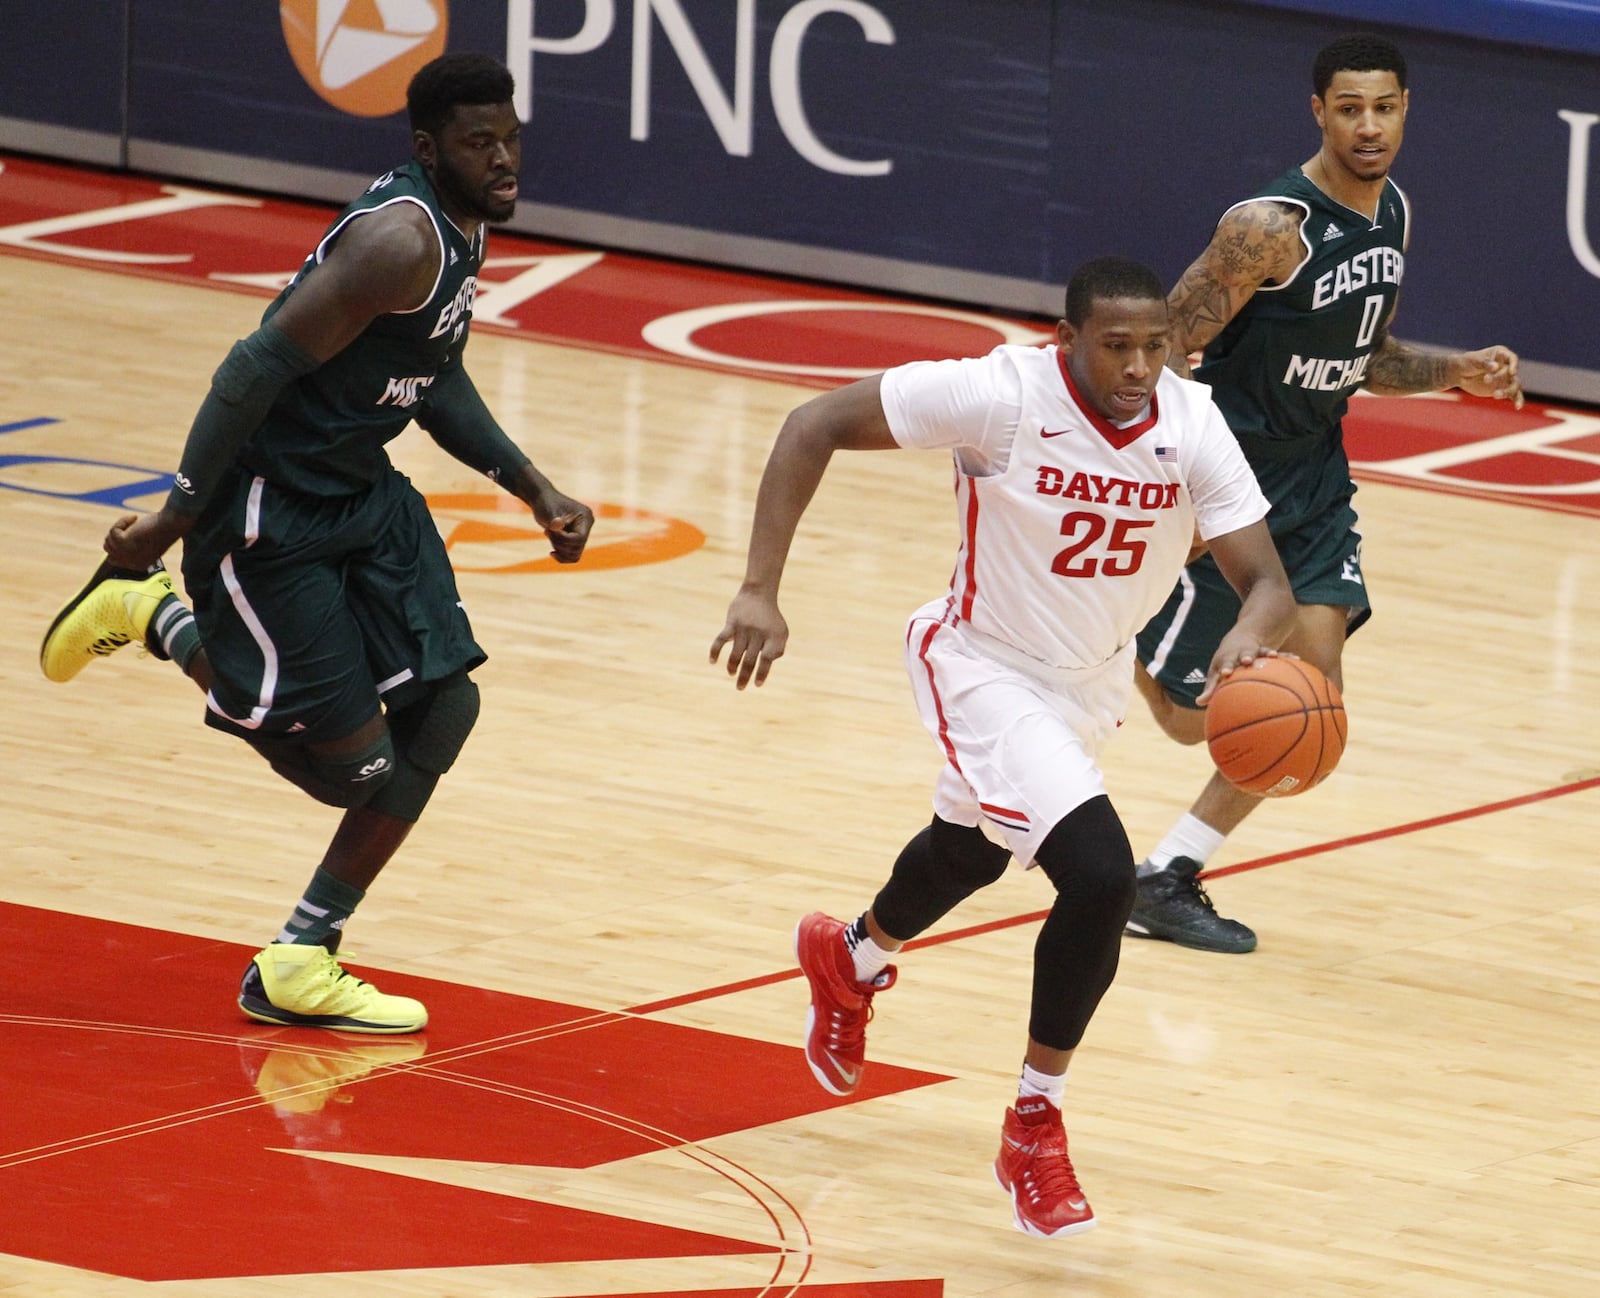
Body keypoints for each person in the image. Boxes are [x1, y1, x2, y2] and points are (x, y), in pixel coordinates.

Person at [710, 257, 1297, 1237]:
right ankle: (1035, 1118)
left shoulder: (1190, 422)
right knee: (1102, 874)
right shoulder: (999, 394)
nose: (1137, 365)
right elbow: (810, 422)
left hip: (1092, 682)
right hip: (982, 664)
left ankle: (849, 957)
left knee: (971, 847)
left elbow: (1267, 579)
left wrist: (1250, 634)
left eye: (1153, 345)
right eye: (1115, 345)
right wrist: (760, 587)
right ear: (1067, 338)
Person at [39, 52, 592, 1034]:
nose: (505, 159)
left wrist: (531, 484)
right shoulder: (397, 240)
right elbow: (251, 367)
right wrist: (175, 512)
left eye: (511, 137)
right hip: (266, 511)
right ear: (429, 149)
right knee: (352, 769)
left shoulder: (463, 222)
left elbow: (433, 375)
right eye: (480, 142)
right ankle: (155, 611)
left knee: (444, 707)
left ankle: (300, 954)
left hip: (360, 498)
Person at [1126, 33, 1524, 954]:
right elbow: (1166, 349)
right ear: (1319, 112)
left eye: (1384, 107)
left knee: (1311, 698)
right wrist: (1167, 480)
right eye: (1350, 107)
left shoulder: (1393, 214)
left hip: (1314, 475)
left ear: (1406, 110)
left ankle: (1169, 873)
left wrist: (1452, 371)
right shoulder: (1268, 227)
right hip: (1229, 481)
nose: (1370, 125)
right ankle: (1116, 636)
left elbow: (1362, 357)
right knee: (1195, 723)